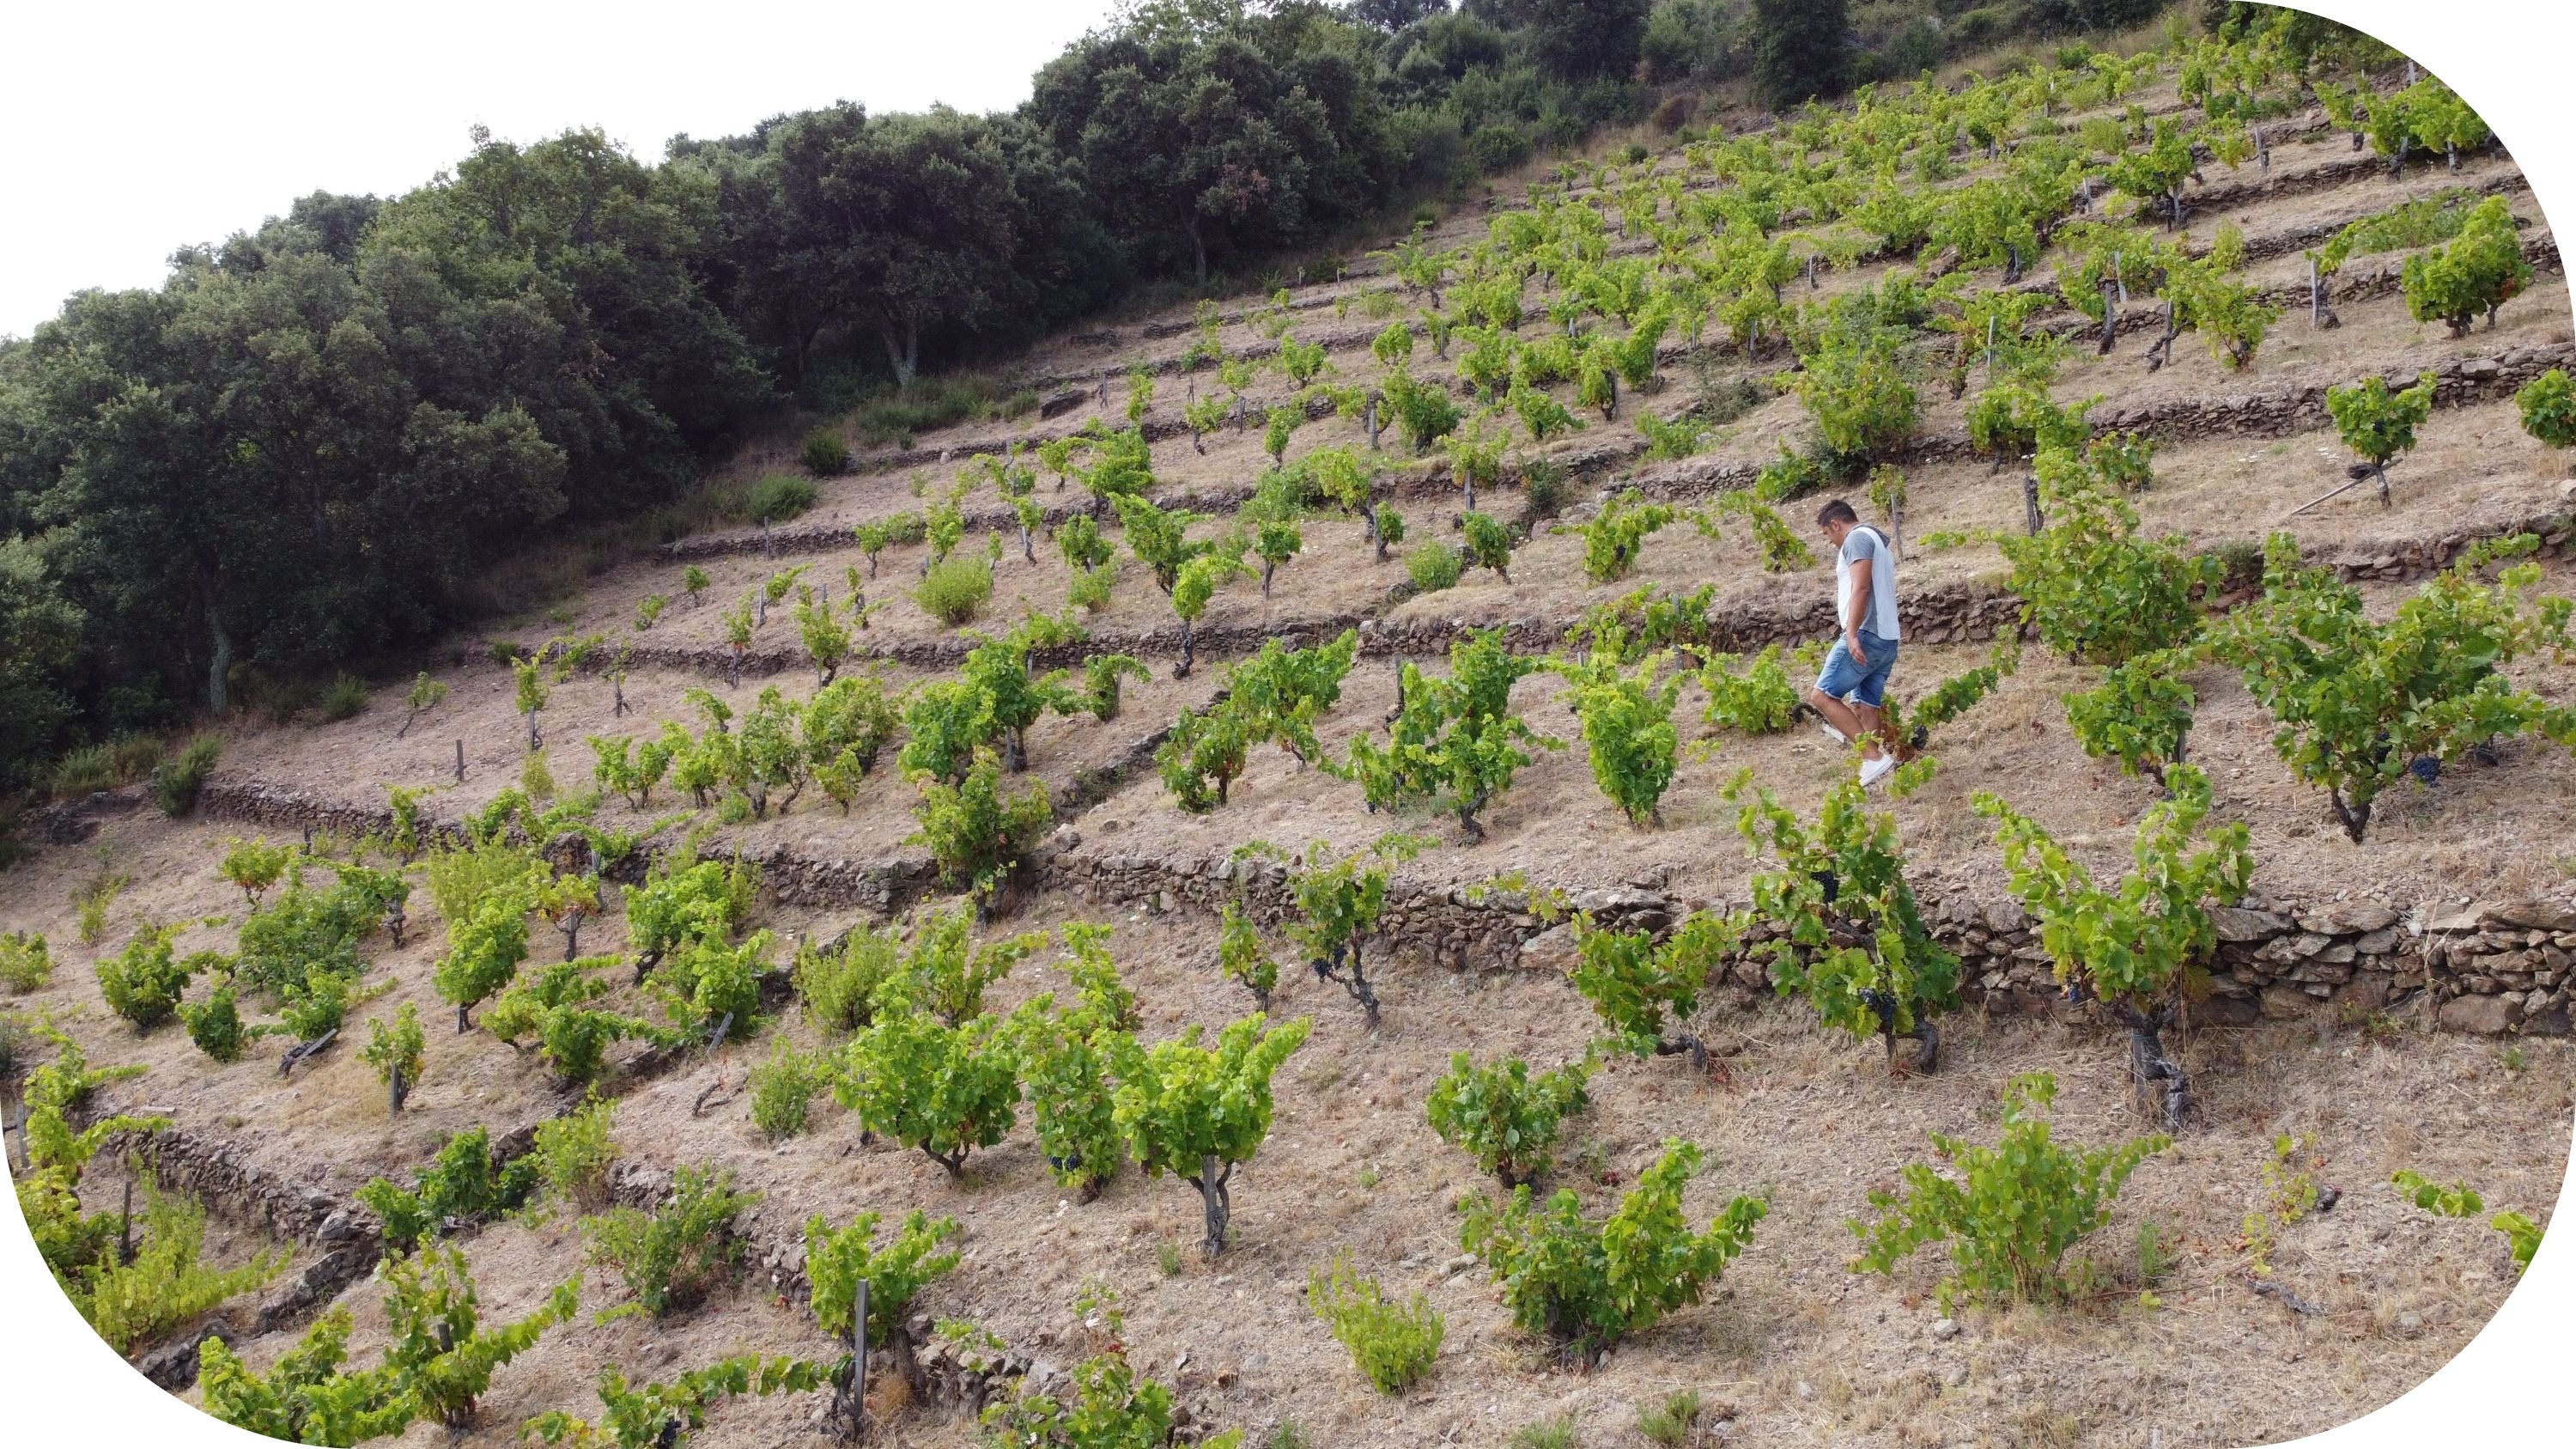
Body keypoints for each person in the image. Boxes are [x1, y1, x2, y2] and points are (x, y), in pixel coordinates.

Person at [1804, 497, 1903, 788]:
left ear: (1835, 524)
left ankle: (1873, 758)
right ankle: (1876, 773)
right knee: (1865, 706)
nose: (1830, 541)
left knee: (1821, 696)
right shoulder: (1878, 540)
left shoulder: (1856, 539)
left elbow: (1861, 587)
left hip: (1867, 634)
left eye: (1827, 534)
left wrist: (1850, 634)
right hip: (1887, 637)